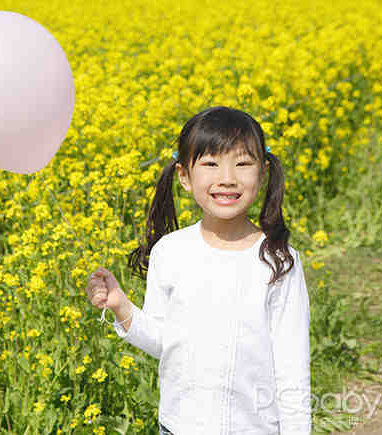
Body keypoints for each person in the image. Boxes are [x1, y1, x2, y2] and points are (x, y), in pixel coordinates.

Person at [85, 106, 312, 434]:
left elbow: (292, 368)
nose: (227, 178)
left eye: (242, 163)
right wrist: (122, 306)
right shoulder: (171, 252)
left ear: (262, 173)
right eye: (210, 163)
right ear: (184, 176)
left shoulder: (279, 261)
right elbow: (165, 342)